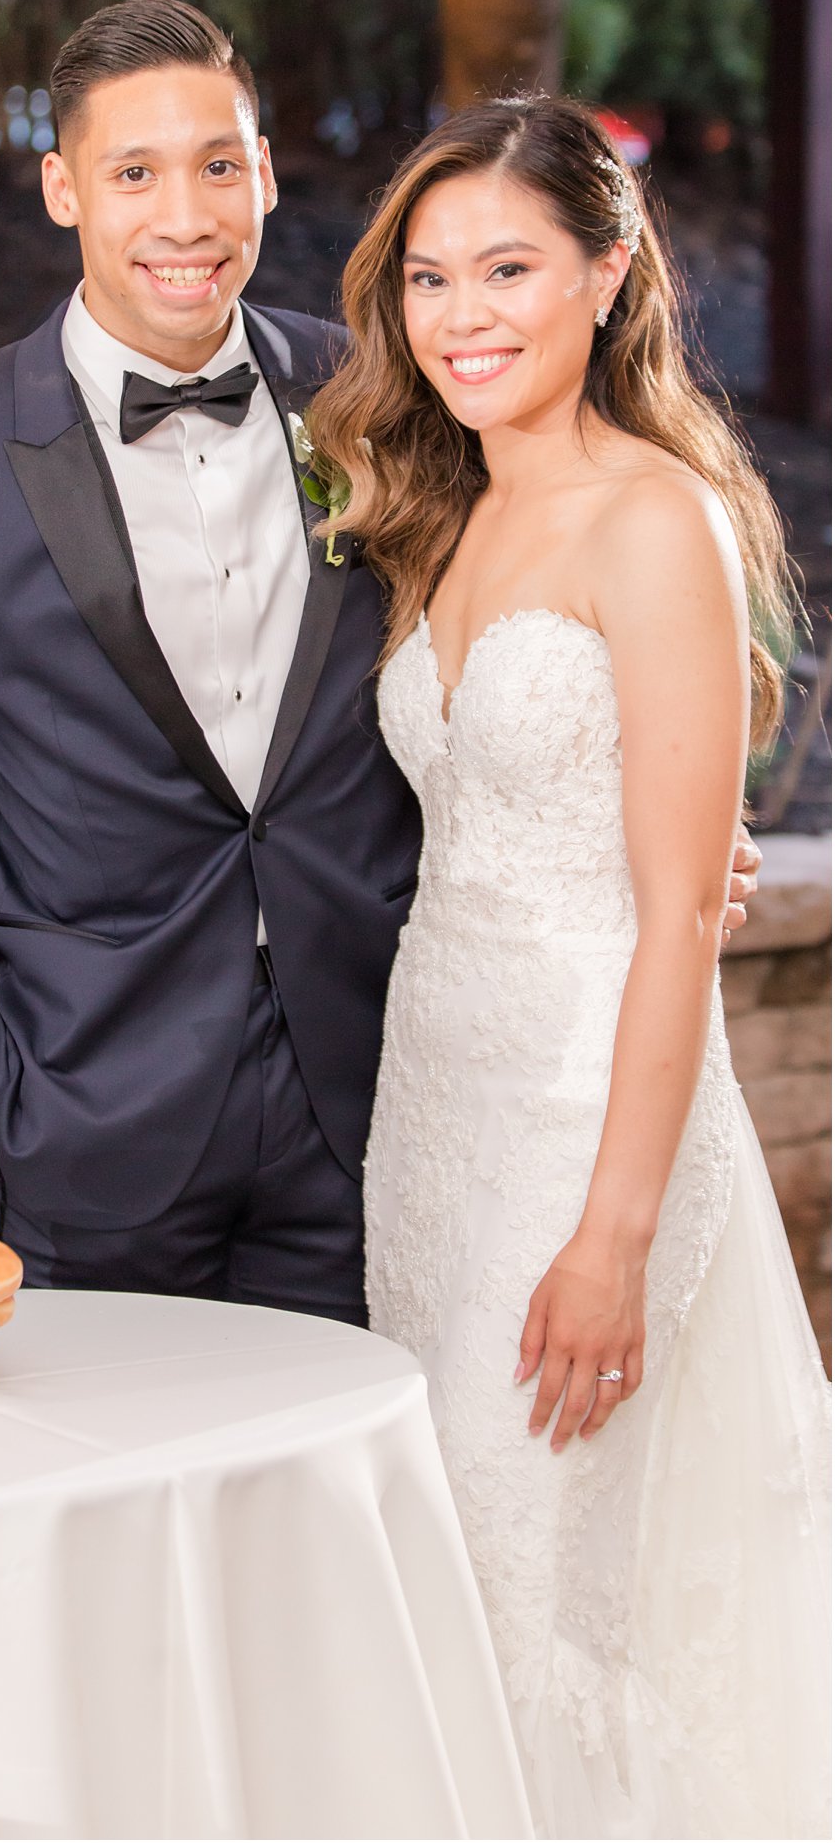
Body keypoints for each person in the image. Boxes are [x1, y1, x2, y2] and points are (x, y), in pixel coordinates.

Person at [0, 0, 758, 1323]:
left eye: (218, 164)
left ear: (261, 172)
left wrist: (658, 837)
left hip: (384, 1100)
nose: (185, 216)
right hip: (85, 1121)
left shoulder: (391, 399)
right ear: (61, 188)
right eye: (134, 172)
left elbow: (551, 616)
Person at [309, 94, 829, 1839]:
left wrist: (610, 1234)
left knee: (546, 1588)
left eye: (511, 268)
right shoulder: (436, 518)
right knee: (456, 1574)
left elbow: (680, 910)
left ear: (607, 273)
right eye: (433, 278)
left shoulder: (652, 520)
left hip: (579, 1132)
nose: (464, 314)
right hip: (431, 1128)